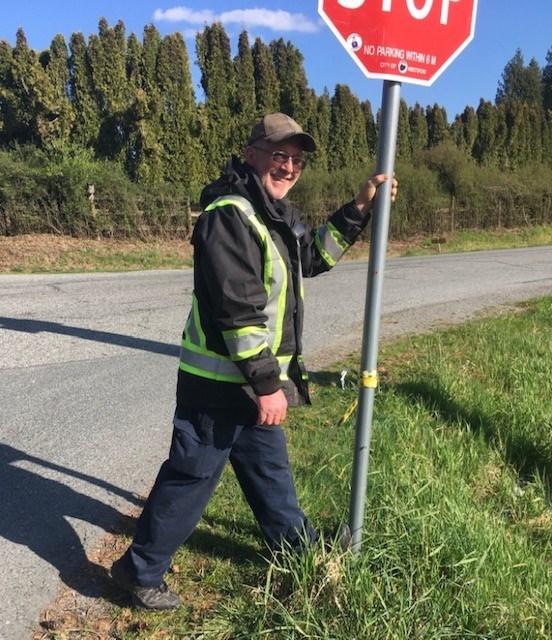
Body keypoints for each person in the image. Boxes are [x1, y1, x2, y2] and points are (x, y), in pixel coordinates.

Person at [111, 112, 398, 610]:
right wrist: (268, 385)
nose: (288, 168)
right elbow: (237, 309)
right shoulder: (230, 214)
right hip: (219, 384)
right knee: (192, 477)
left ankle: (297, 551)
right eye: (279, 155)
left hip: (249, 383)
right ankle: (138, 572)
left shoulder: (272, 213)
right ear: (251, 154)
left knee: (270, 475)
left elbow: (313, 258)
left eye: (297, 160)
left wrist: (359, 207)